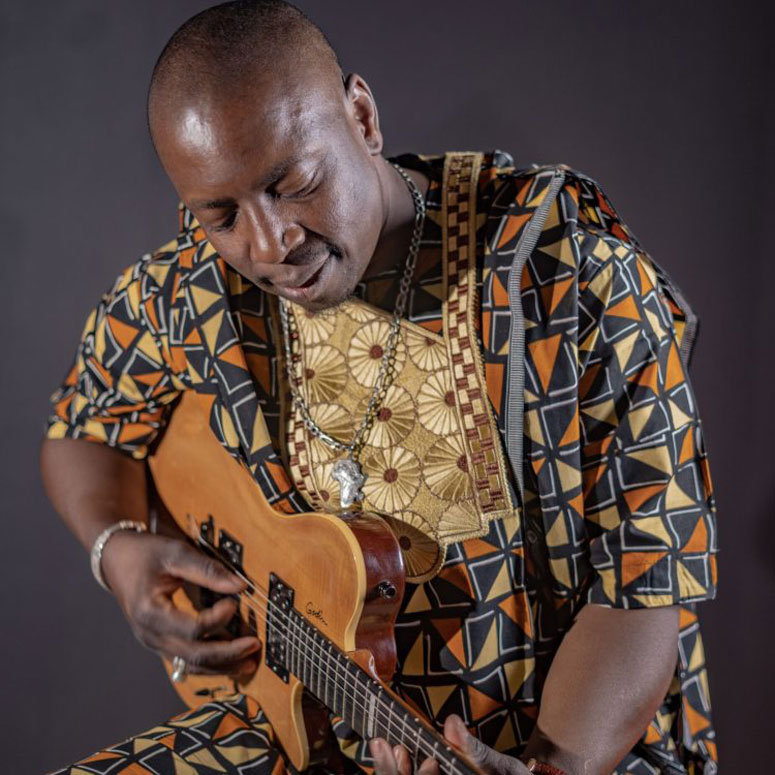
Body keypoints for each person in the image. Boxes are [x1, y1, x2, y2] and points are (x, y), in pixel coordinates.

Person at [40, 2, 719, 773]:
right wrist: (118, 552)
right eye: (221, 214)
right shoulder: (190, 293)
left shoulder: (569, 273)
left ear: (361, 116)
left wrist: (549, 765)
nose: (268, 245)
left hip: (554, 744)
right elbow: (84, 425)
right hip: (299, 730)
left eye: (292, 182)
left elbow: (642, 585)